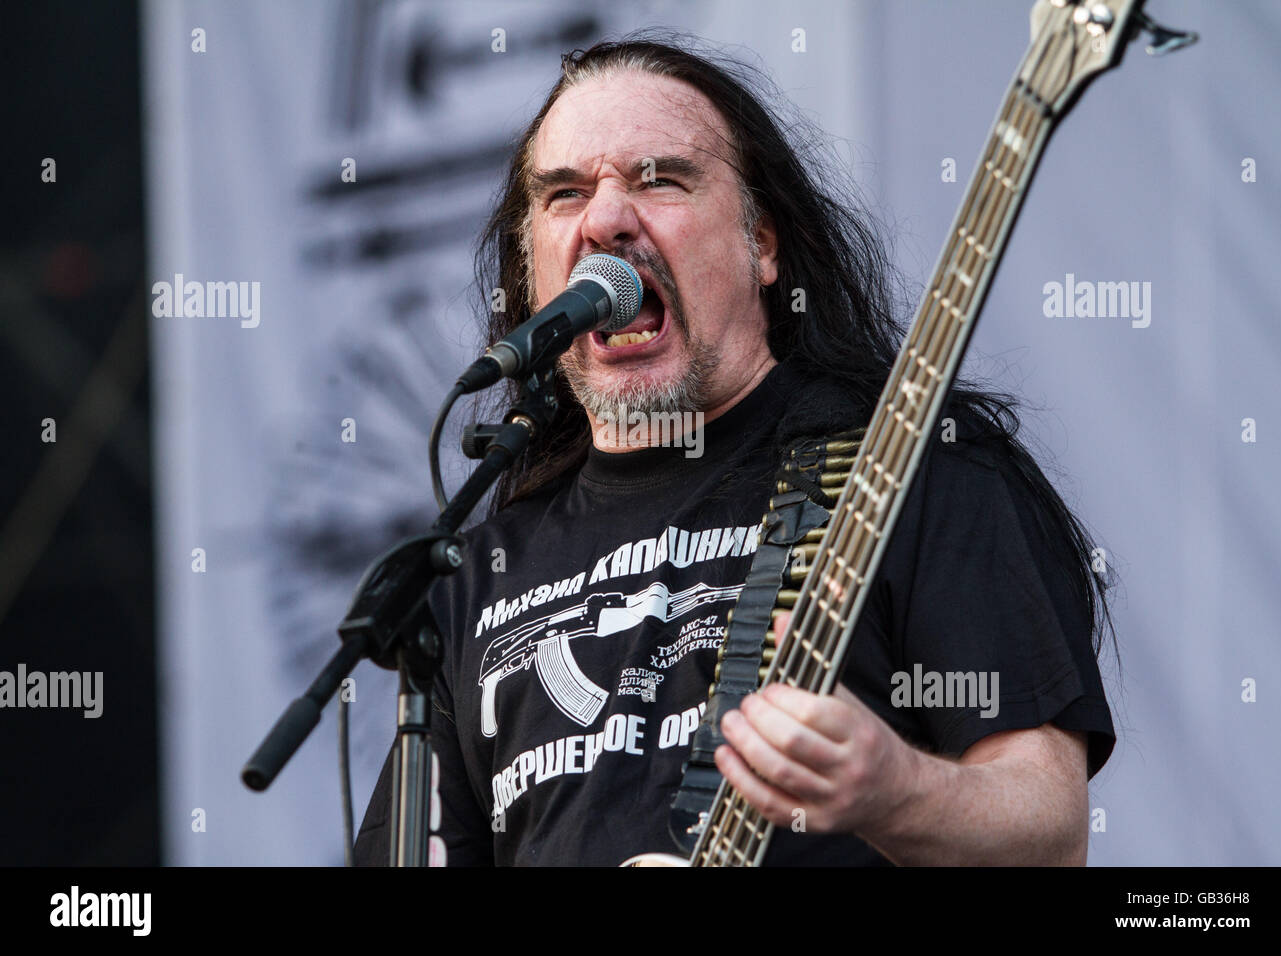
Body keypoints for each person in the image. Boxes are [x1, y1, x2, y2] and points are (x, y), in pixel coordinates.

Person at [355, 35, 1115, 867]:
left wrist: (894, 789)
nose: (607, 219)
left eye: (661, 179)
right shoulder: (476, 574)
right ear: (532, 271)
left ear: (763, 245)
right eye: (565, 194)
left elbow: (1048, 829)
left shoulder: (907, 470)